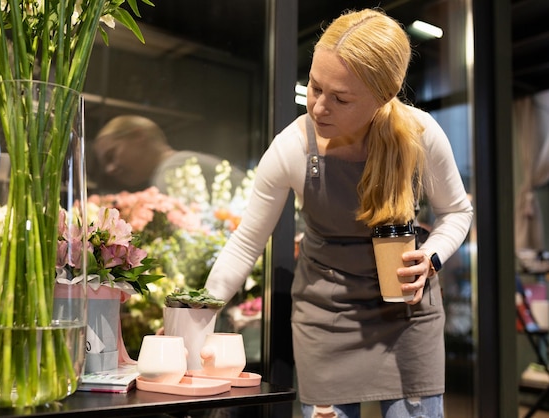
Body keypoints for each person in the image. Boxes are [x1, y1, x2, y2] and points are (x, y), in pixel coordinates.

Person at [202, 8, 473, 418]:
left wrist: (431, 257)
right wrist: (198, 315)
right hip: (326, 319)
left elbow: (456, 212)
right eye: (314, 86)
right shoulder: (292, 147)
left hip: (406, 318)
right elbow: (244, 244)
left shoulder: (419, 135)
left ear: (383, 97)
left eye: (340, 98)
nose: (318, 107)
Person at [92, 115, 246, 194]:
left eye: (111, 156)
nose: (109, 169)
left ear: (138, 136)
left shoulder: (173, 171)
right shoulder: (181, 164)